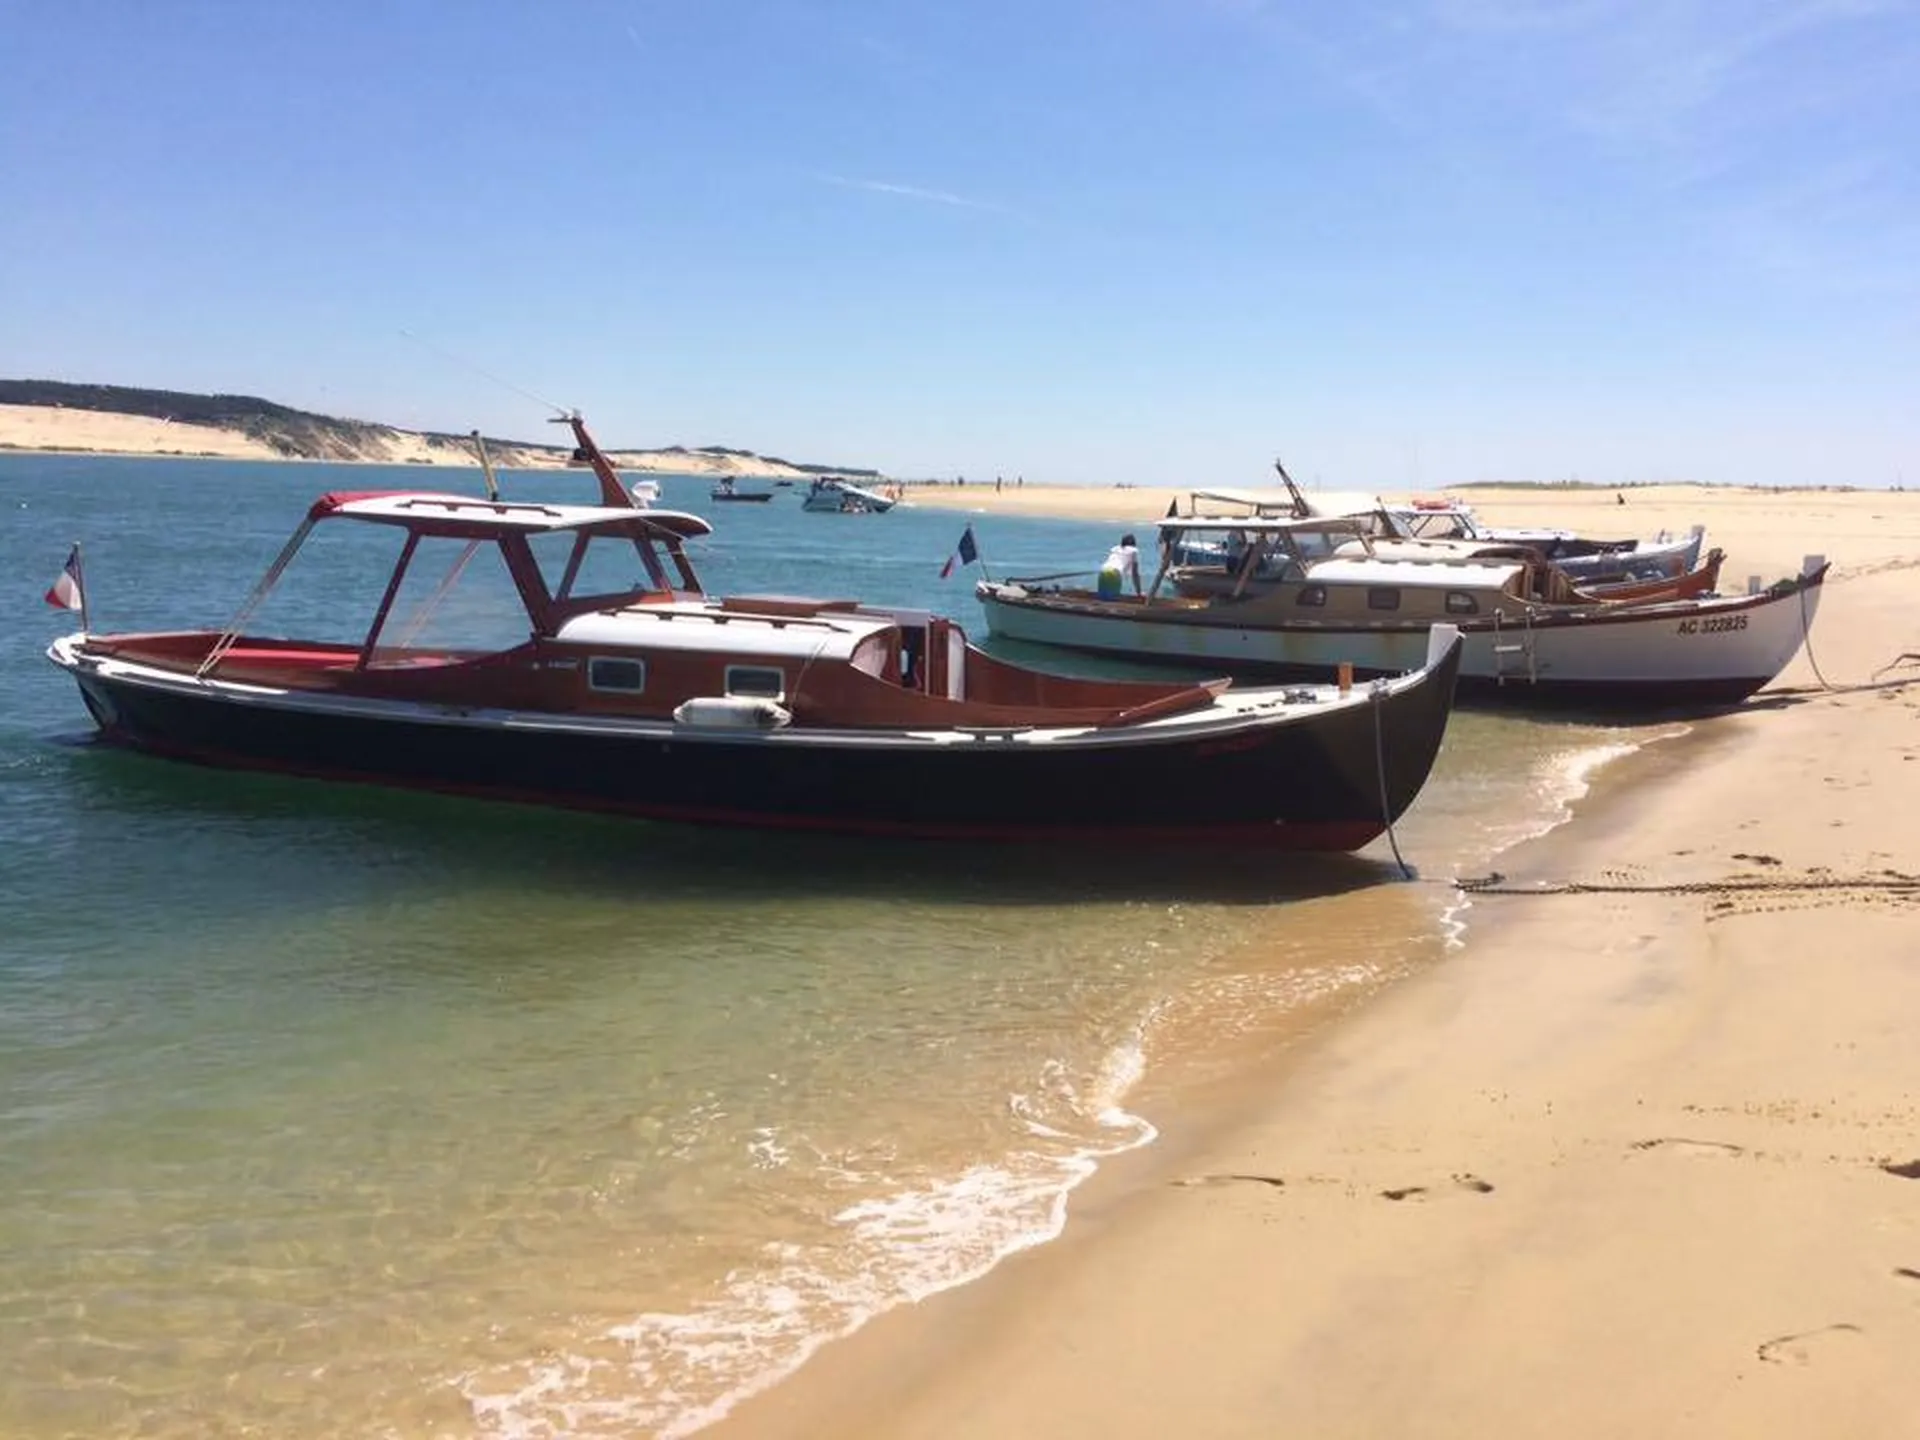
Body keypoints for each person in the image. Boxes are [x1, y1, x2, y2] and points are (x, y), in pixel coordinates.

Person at [1097, 533, 1144, 599]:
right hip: (1114, 573)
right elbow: (1135, 574)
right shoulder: (1133, 551)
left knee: (1102, 598)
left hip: (1103, 571)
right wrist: (1139, 592)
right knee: (1113, 598)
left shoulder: (1115, 549)